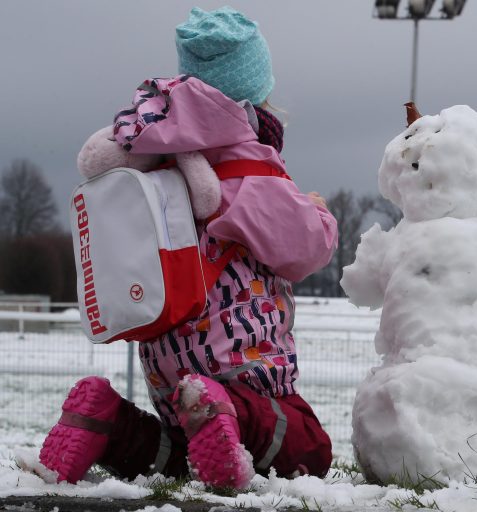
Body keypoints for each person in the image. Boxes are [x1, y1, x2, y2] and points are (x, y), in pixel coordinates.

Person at [39, 7, 338, 489]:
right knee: (309, 444)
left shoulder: (151, 166)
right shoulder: (249, 172)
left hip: (167, 362)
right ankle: (229, 411)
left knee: (176, 454)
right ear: (257, 93)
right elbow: (308, 250)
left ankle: (103, 418)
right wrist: (316, 210)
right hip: (243, 363)